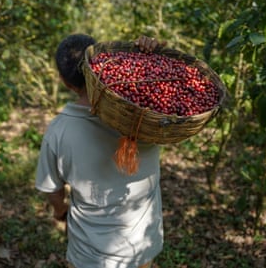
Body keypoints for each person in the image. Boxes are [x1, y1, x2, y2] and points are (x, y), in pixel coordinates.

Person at [35, 34, 167, 268]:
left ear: (64, 81)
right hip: (141, 246)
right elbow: (170, 87)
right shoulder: (142, 113)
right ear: (103, 64)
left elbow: (51, 189)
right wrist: (152, 56)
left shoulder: (58, 130)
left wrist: (60, 210)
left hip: (90, 255)